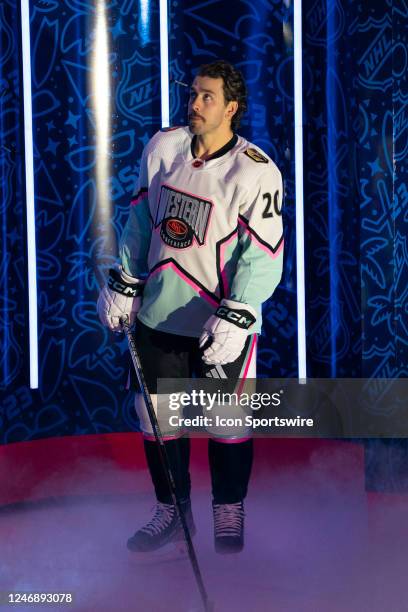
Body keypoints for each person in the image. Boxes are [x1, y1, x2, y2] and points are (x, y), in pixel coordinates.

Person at [97, 60, 284, 554]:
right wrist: (126, 279)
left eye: (207, 97)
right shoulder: (163, 148)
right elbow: (141, 218)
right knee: (156, 414)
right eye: (194, 94)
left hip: (219, 323)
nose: (195, 104)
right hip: (160, 312)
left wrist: (239, 311)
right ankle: (174, 512)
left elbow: (264, 254)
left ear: (232, 107)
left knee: (227, 417)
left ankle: (227, 507)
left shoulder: (256, 171)